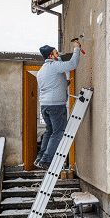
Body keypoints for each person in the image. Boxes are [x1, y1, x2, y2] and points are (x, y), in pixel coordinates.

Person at [34, 40, 83, 169]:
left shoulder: (41, 71)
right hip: (56, 106)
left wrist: (64, 84)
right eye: (56, 53)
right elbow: (73, 64)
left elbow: (51, 85)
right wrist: (76, 48)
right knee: (59, 132)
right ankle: (46, 160)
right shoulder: (53, 66)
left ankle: (40, 157)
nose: (58, 55)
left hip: (45, 106)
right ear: (50, 56)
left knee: (50, 131)